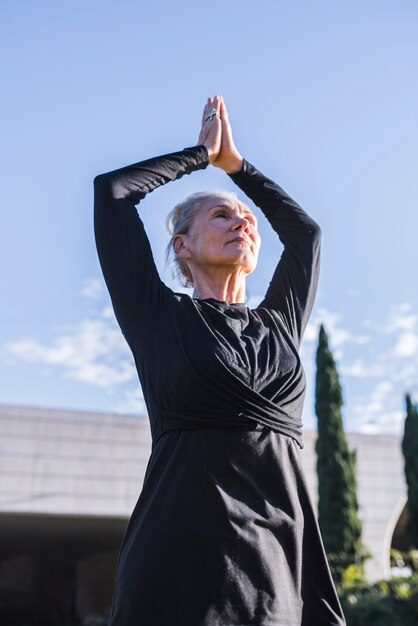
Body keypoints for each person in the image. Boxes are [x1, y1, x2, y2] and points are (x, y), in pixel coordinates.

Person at [94, 95, 346, 626]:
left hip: (278, 553)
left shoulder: (279, 322)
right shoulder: (159, 317)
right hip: (180, 554)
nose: (243, 223)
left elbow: (306, 235)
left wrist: (240, 168)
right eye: (222, 214)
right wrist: (202, 155)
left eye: (248, 219)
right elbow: (113, 192)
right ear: (181, 246)